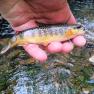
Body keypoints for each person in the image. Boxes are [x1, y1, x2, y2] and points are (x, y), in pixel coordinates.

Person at [0, 0, 86, 62]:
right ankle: (10, 43)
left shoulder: (69, 33)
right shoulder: (69, 32)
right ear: (70, 30)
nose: (81, 29)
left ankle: (10, 44)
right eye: (78, 28)